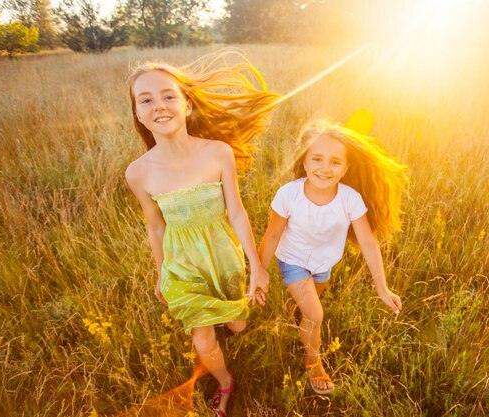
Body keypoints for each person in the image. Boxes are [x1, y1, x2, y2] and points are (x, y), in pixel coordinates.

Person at [125, 49, 278, 417]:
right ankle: (225, 382)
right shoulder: (139, 173)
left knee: (238, 324)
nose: (158, 105)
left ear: (187, 104)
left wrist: (256, 267)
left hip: (222, 253)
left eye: (168, 95)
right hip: (182, 264)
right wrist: (162, 272)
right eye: (145, 100)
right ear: (138, 114)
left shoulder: (217, 153)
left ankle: (229, 317)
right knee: (203, 335)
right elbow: (155, 224)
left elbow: (237, 213)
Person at [258, 120, 407, 395]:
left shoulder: (350, 199)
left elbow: (368, 242)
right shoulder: (289, 194)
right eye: (317, 159)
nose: (325, 168)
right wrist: (259, 274)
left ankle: (300, 316)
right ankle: (313, 362)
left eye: (335, 162)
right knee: (315, 313)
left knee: (308, 309)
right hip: (293, 260)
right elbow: (272, 236)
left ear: (346, 168)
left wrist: (381, 287)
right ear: (304, 162)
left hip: (324, 264)